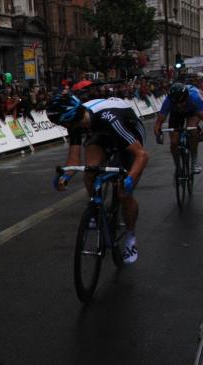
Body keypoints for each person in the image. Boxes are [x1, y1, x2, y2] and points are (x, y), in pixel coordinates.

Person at [47, 94, 149, 264]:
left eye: (62, 124)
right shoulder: (75, 123)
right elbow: (74, 160)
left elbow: (142, 156)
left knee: (124, 193)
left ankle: (130, 238)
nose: (63, 127)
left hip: (127, 130)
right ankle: (96, 208)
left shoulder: (108, 119)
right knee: (90, 170)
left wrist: (130, 179)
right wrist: (65, 175)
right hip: (100, 133)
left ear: (70, 119)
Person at [154, 82, 203, 174]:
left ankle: (194, 162)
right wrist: (158, 135)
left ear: (186, 97)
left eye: (181, 102)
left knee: (192, 129)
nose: (179, 105)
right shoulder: (168, 101)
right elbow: (158, 123)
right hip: (176, 113)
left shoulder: (195, 97)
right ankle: (178, 167)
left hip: (192, 111)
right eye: (176, 103)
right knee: (174, 142)